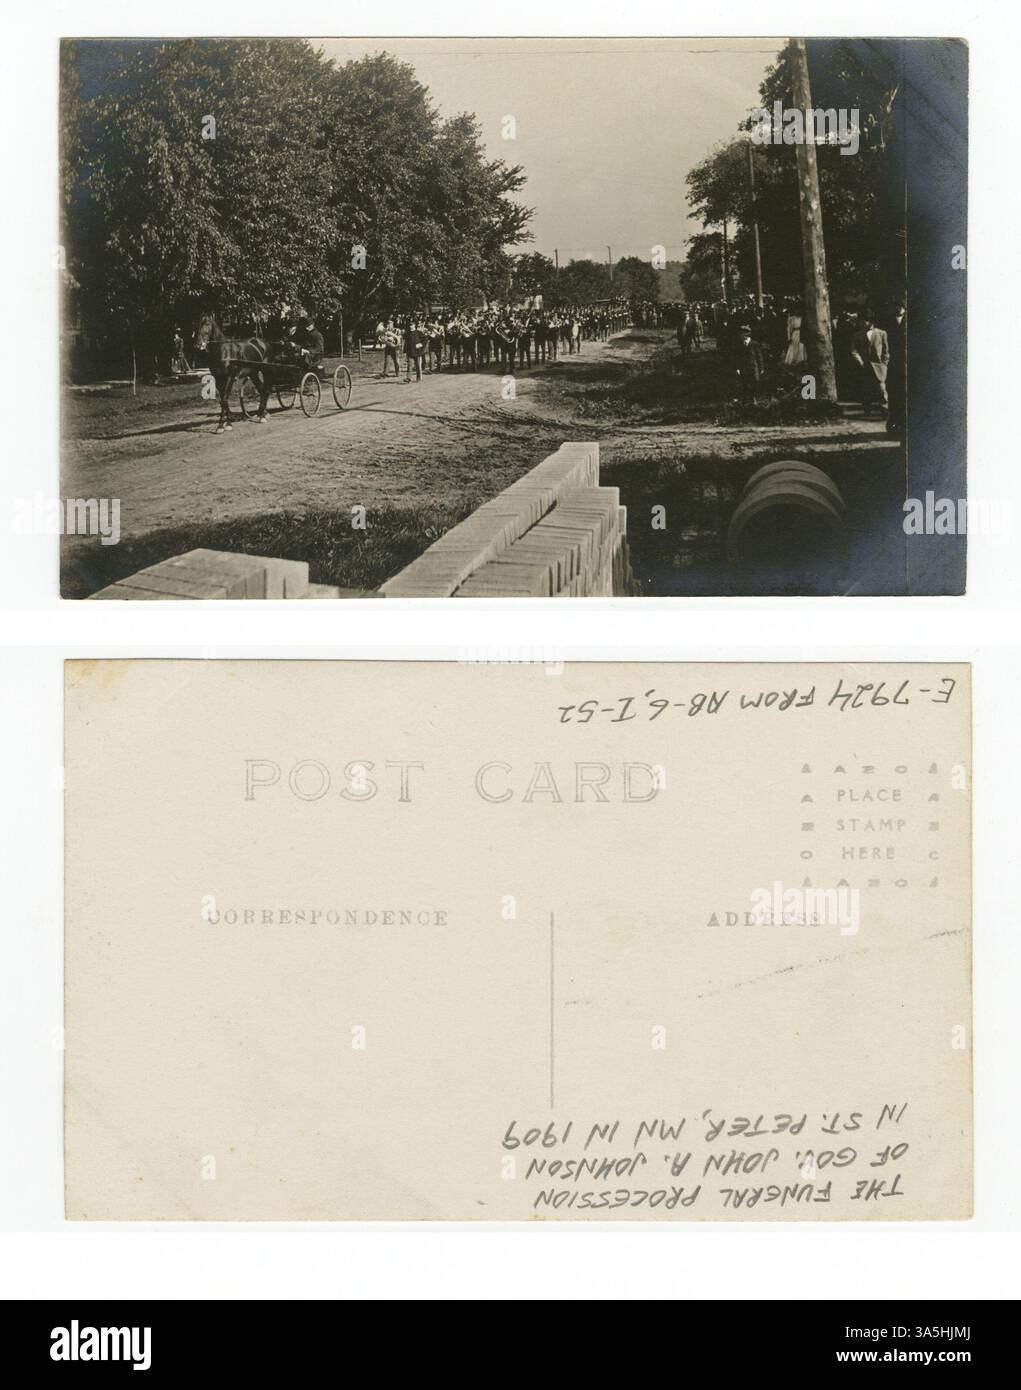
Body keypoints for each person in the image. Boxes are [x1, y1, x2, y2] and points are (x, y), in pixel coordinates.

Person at [851, 312, 890, 416]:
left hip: (879, 366)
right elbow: (854, 350)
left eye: (867, 320)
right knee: (866, 388)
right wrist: (861, 362)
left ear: (872, 321)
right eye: (864, 320)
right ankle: (867, 409)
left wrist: (884, 363)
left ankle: (884, 409)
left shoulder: (882, 333)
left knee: (881, 388)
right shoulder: (857, 335)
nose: (866, 323)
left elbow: (886, 350)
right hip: (865, 365)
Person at [734, 325, 765, 402]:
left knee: (755, 381)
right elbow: (737, 357)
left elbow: (759, 357)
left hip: (753, 366)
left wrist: (761, 368)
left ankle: (753, 397)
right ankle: (745, 398)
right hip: (743, 367)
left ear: (747, 335)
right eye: (741, 334)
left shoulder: (754, 344)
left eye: (743, 334)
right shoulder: (739, 344)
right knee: (745, 382)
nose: (741, 336)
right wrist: (737, 368)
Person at [404, 318, 427, 383]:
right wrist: (405, 352)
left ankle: (418, 377)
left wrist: (421, 344)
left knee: (417, 365)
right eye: (410, 325)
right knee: (409, 365)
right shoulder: (408, 333)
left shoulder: (419, 332)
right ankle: (408, 378)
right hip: (410, 352)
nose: (410, 326)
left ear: (414, 325)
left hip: (417, 352)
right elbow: (406, 343)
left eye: (412, 325)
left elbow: (425, 339)